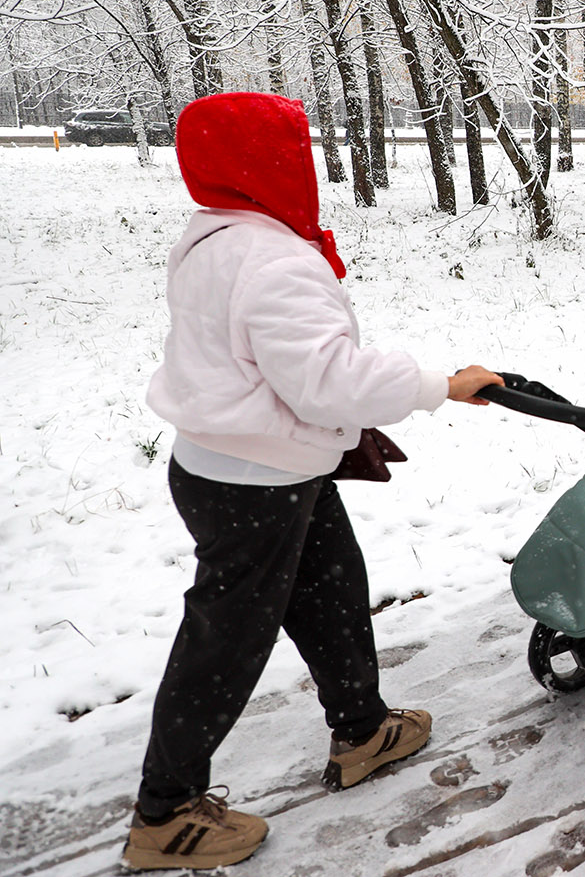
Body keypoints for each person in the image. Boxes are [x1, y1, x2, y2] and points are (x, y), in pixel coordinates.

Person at [123, 92, 505, 872]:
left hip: (245, 463)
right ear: (266, 165)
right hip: (254, 478)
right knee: (226, 639)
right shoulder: (272, 260)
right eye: (297, 154)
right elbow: (328, 383)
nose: (309, 169)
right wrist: (441, 385)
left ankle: (362, 729)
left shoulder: (214, 237)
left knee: (331, 587)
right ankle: (165, 812)